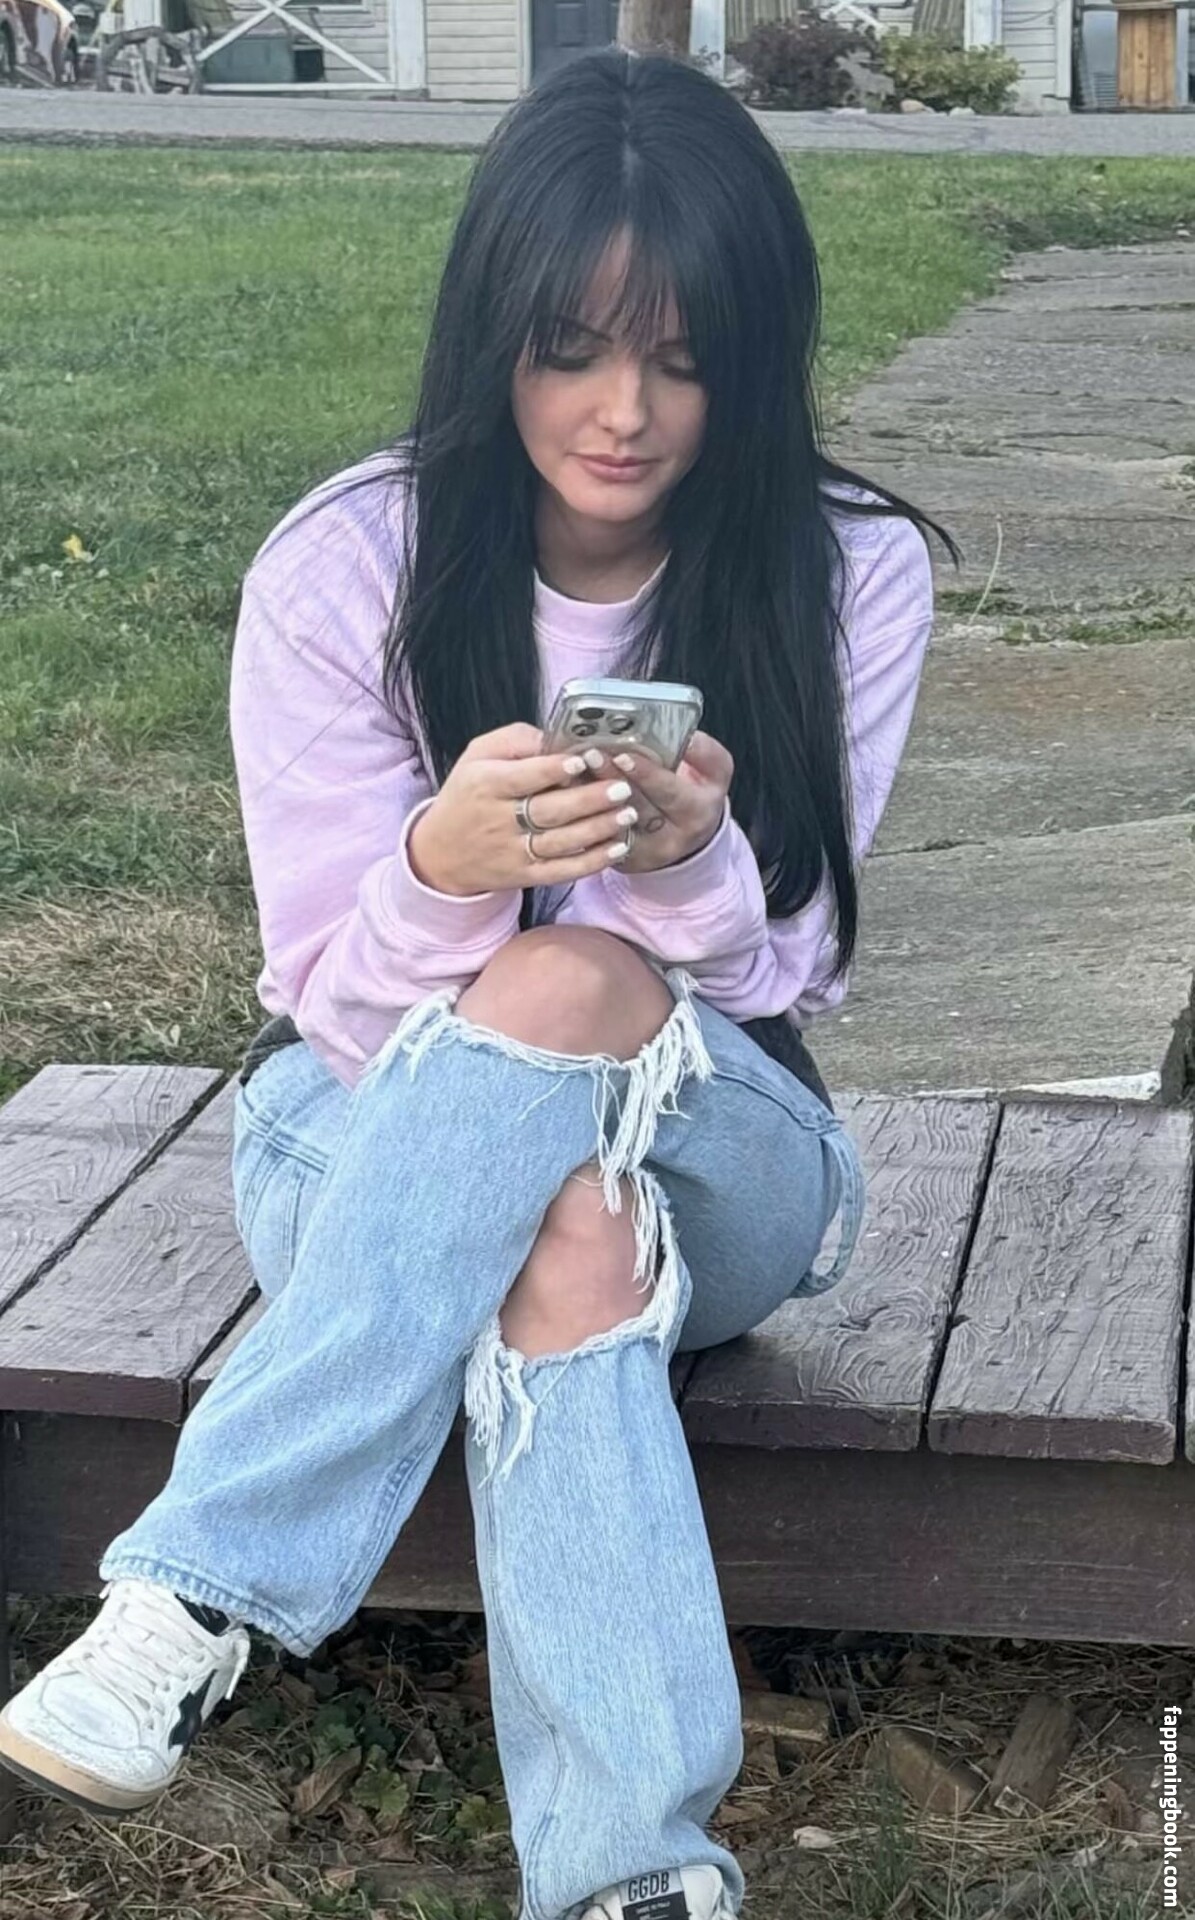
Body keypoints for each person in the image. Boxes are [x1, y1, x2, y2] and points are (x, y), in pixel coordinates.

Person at [0, 46, 950, 1920]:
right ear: (489, 334)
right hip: (364, 1130)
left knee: (578, 974)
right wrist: (443, 872)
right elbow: (327, 994)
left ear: (758, 358)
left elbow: (800, 967)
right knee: (561, 1228)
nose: (624, 413)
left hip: (729, 1151)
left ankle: (194, 1591)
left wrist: (680, 866)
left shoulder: (850, 567)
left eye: (685, 360)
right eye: (570, 350)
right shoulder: (349, 562)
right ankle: (634, 1881)